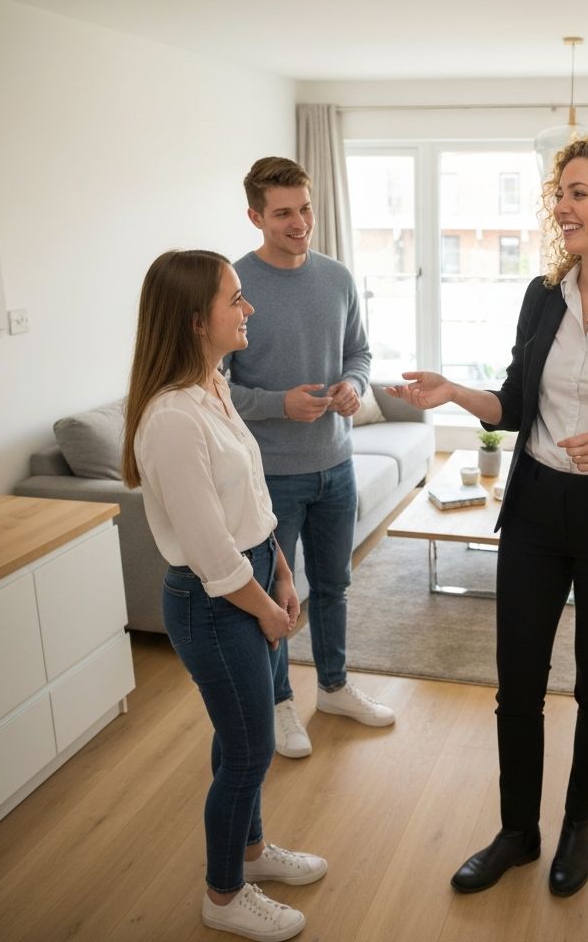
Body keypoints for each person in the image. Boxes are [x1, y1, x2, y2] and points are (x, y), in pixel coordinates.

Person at [387, 135, 588, 898]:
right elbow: (516, 400)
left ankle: (577, 824)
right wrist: (457, 394)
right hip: (536, 509)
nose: (560, 207)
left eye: (577, 193)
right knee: (517, 683)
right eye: (558, 194)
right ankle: (516, 831)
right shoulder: (542, 296)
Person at [121, 250, 327, 942]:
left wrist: (282, 572)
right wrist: (266, 610)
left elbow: (250, 501)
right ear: (193, 320)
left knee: (244, 739)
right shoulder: (173, 420)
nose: (249, 309)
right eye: (235, 299)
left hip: (250, 581)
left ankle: (251, 852)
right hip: (215, 605)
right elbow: (209, 551)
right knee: (246, 752)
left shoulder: (213, 386)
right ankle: (223, 894)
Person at [224, 156, 395, 761]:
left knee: (333, 587)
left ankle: (335, 688)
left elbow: (361, 351)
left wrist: (353, 384)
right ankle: (279, 706)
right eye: (283, 213)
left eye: (305, 209)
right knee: (276, 602)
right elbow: (216, 388)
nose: (299, 223)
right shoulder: (234, 287)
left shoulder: (338, 277)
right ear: (255, 216)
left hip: (337, 464)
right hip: (271, 476)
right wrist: (277, 403)